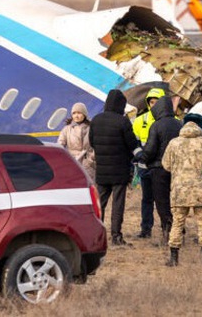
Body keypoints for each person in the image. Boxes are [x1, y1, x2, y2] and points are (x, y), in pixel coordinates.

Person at [162, 113, 202, 266]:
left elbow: (166, 165)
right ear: (200, 125)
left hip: (179, 191)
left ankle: (174, 258)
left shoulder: (174, 143)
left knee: (177, 222)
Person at [89, 89, 142, 246]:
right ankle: (116, 236)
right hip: (119, 169)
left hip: (102, 170)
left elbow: (92, 142)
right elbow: (131, 143)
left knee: (100, 204)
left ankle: (97, 236)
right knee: (118, 203)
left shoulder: (96, 120)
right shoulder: (123, 121)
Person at [143, 95, 183, 245]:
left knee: (162, 202)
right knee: (176, 202)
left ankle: (168, 234)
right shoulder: (179, 124)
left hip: (159, 169)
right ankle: (179, 232)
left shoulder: (157, 125)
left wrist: (142, 158)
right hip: (178, 169)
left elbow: (150, 149)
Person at [131, 87, 165, 239]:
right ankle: (146, 229)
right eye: (151, 102)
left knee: (164, 200)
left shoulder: (173, 121)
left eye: (157, 102)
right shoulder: (139, 120)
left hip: (163, 168)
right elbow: (134, 142)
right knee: (147, 200)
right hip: (144, 167)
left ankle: (168, 228)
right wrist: (139, 156)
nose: (154, 105)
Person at [58, 102, 96, 181]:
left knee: (89, 189)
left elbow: (96, 145)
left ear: (84, 114)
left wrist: (91, 160)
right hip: (73, 163)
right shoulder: (67, 129)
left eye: (79, 113)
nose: (76, 116)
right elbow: (60, 145)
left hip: (88, 165)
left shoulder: (91, 128)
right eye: (74, 113)